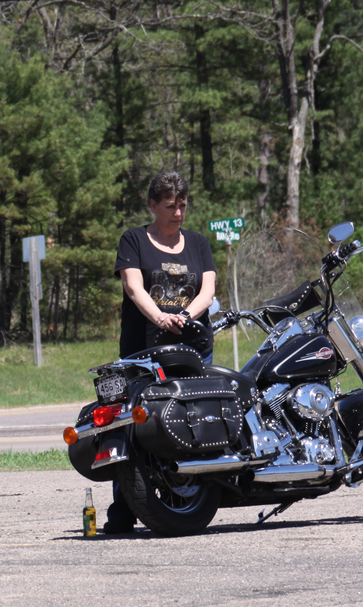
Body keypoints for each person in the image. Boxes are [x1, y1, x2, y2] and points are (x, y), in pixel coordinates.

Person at [104, 171, 218, 534]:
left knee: (195, 420)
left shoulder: (198, 243)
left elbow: (208, 292)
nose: (178, 213)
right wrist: (160, 318)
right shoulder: (134, 239)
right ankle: (124, 509)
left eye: (182, 205)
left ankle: (192, 494)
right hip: (143, 352)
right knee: (134, 427)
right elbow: (134, 287)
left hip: (193, 349)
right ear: (153, 205)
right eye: (170, 206)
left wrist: (185, 317)